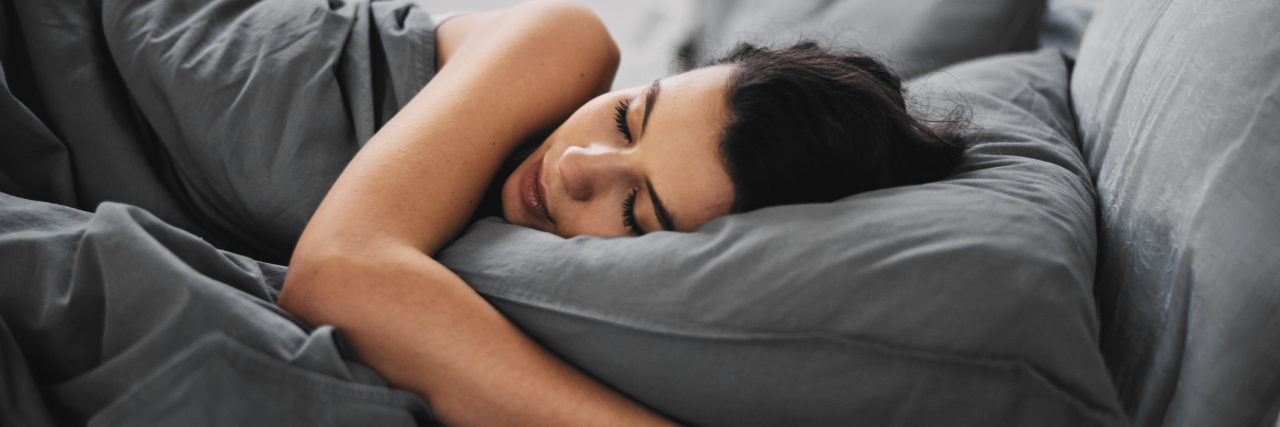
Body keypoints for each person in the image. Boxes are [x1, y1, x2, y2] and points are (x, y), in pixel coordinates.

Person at [278, 1, 966, 425]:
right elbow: (337, 273)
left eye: (635, 211)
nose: (578, 166)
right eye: (626, 117)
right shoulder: (564, 42)